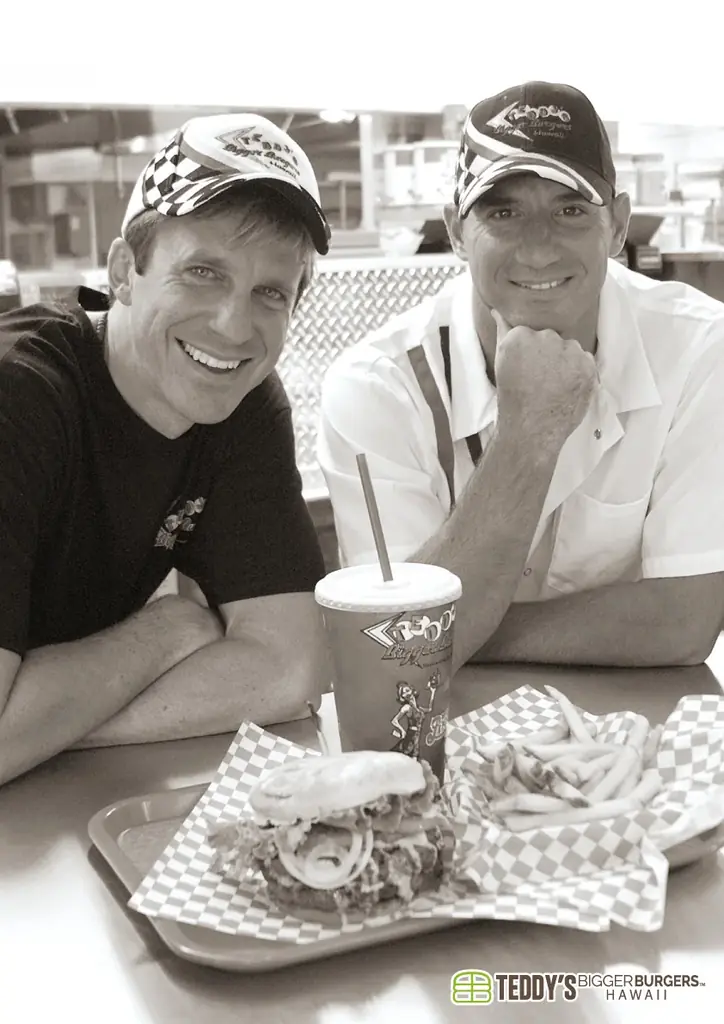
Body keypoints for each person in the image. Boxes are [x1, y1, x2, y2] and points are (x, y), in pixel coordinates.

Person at [318, 81, 724, 673]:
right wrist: (527, 432)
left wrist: (465, 627)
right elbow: (395, 651)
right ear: (456, 231)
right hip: (442, 720)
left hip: (631, 721)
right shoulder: (379, 387)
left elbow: (685, 621)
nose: (537, 250)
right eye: (502, 212)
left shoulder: (698, 348)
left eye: (570, 210)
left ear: (617, 226)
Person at [0, 113, 334, 787]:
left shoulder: (241, 402)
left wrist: (34, 731)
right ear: (124, 271)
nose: (234, 326)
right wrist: (169, 632)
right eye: (203, 272)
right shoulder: (19, 395)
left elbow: (292, 668)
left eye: (270, 292)